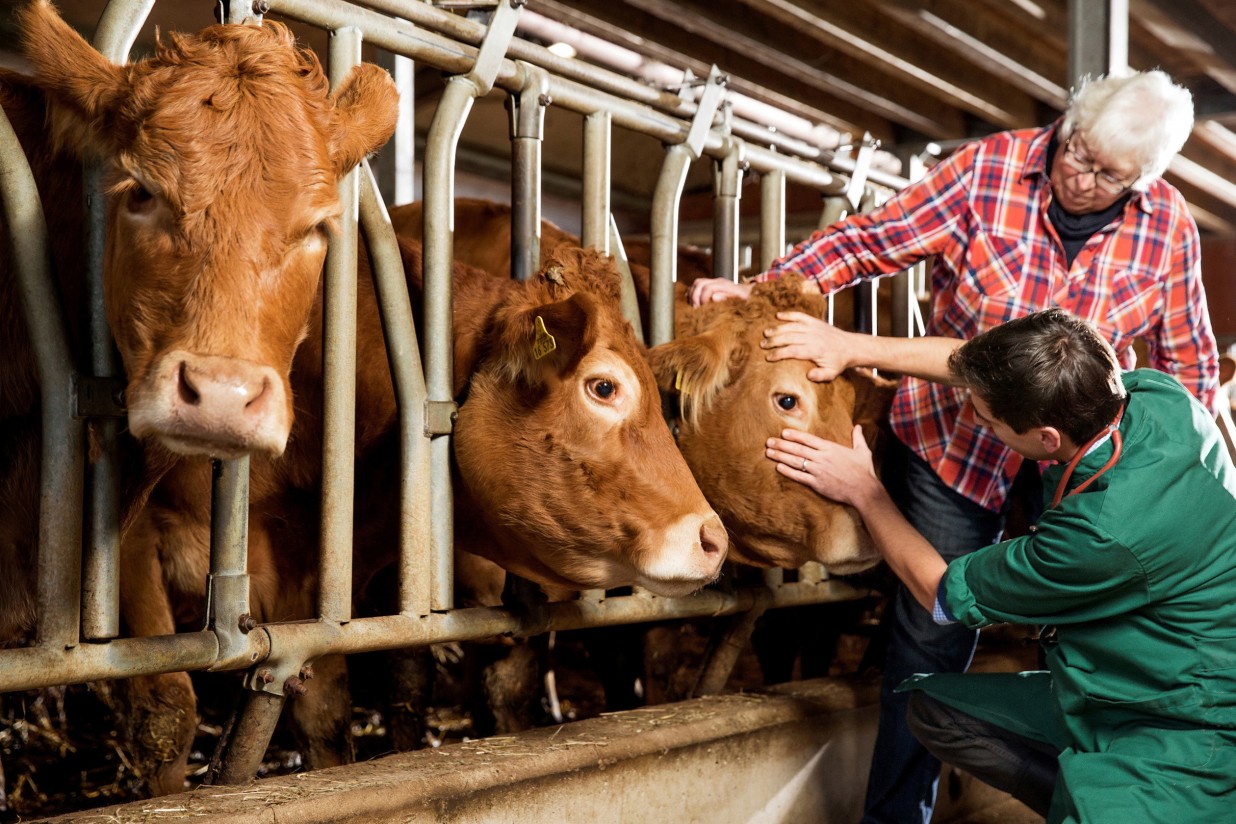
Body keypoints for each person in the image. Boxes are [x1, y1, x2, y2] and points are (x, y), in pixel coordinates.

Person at [689, 69, 1221, 823]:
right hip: (957, 443)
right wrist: (773, 288)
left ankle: (1096, 780)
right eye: (1076, 151)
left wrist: (1170, 484)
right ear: (1067, 122)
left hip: (1076, 471)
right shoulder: (988, 168)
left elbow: (1190, 362)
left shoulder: (1168, 227)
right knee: (930, 636)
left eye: (1109, 175)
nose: (1080, 175)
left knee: (1068, 621)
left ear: (1145, 180)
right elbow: (875, 241)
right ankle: (899, 815)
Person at [763, 309, 1236, 823]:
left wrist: (863, 490)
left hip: (1187, 723)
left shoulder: (1098, 533)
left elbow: (941, 593)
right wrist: (849, 345)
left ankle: (1104, 801)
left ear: (1046, 439)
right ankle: (1083, 788)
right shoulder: (1154, 396)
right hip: (1131, 678)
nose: (978, 422)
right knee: (935, 707)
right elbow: (972, 367)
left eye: (988, 422)